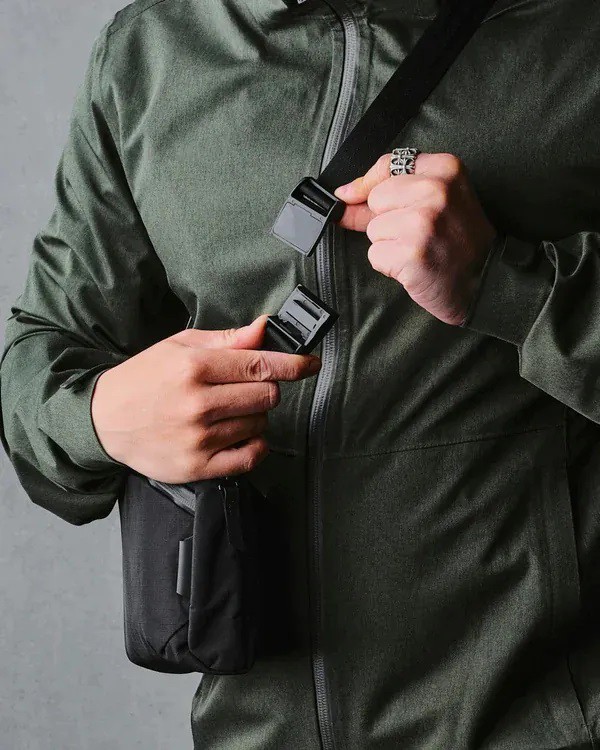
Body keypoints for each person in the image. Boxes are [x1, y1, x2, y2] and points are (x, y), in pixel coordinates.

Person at [2, 0, 600, 747]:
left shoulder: (578, 39)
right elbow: (44, 353)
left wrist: (506, 286)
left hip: (538, 723)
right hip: (252, 730)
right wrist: (99, 417)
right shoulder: (153, 50)